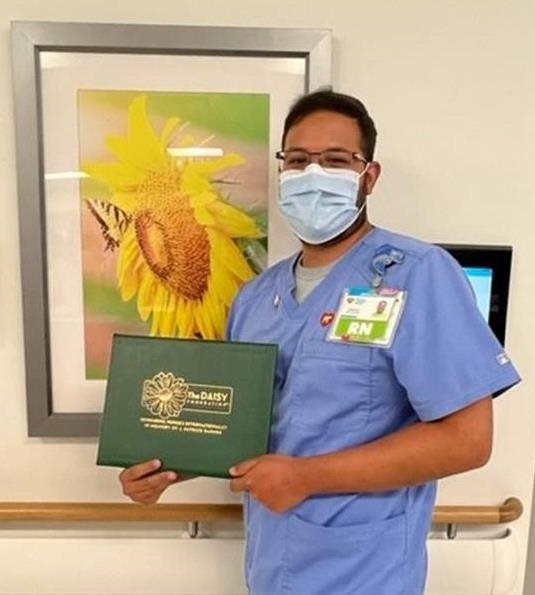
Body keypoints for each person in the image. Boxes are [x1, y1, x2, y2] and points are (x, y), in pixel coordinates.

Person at [119, 90, 521, 595]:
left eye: (335, 161)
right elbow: (238, 424)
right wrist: (167, 466)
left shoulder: (417, 275)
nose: (313, 175)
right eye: (299, 160)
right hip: (272, 568)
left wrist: (308, 477)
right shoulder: (254, 298)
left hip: (366, 574)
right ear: (282, 171)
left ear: (367, 177)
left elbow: (468, 439)